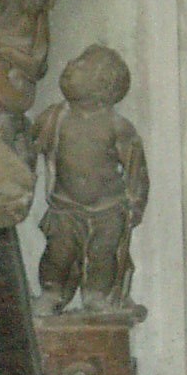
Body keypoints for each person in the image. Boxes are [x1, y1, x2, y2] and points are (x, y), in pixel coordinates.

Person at [33, 44, 149, 314]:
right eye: (75, 60)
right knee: (57, 254)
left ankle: (97, 295)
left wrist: (136, 204)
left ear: (104, 86)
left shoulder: (117, 127)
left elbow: (136, 169)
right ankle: (52, 292)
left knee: (103, 255)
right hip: (64, 207)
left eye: (82, 65)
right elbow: (32, 147)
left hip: (108, 210)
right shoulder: (54, 118)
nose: (70, 66)